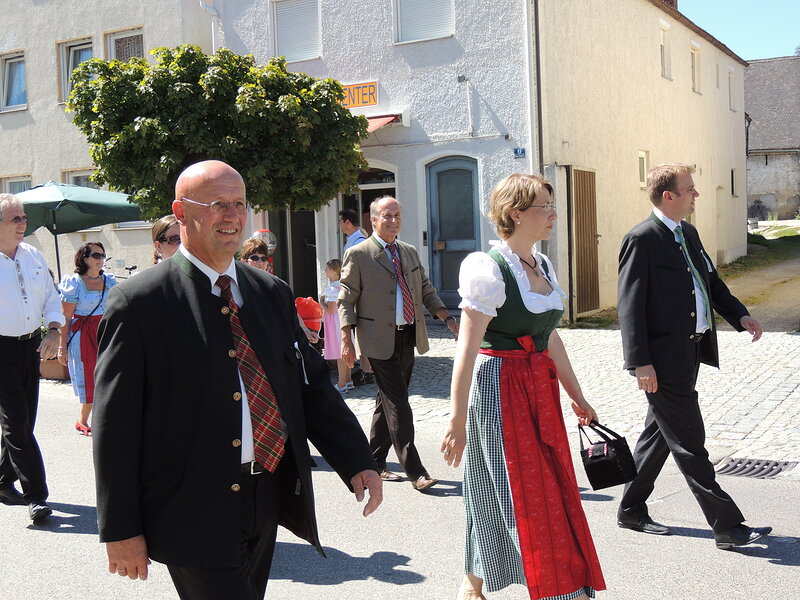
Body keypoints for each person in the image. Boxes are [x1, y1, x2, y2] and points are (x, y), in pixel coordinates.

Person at [92, 160, 382, 599]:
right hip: (191, 507)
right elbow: (115, 426)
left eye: (239, 204)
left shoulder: (270, 292)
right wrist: (120, 528)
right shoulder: (138, 303)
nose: (232, 216)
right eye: (217, 205)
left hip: (266, 493)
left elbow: (309, 387)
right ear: (181, 211)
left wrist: (357, 457)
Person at [441, 174, 605, 600]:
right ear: (515, 214)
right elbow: (466, 350)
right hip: (499, 388)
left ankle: (472, 582)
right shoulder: (487, 269)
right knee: (520, 489)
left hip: (537, 384)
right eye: (544, 207)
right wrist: (456, 420)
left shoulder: (542, 265)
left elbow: (550, 337)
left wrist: (577, 395)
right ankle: (558, 588)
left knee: (507, 483)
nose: (553, 214)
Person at [617, 162, 771, 549]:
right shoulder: (641, 238)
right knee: (689, 441)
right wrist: (640, 363)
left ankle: (631, 509)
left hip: (690, 349)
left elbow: (710, 282)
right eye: (689, 189)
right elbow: (630, 307)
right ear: (668, 196)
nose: (696, 195)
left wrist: (740, 314)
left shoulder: (688, 232)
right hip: (661, 358)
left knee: (659, 435)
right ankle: (727, 526)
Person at [339, 196, 459, 490]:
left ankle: (375, 462)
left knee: (388, 400)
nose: (394, 220)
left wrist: (446, 317)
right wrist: (347, 339)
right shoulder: (359, 253)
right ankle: (415, 471)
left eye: (397, 215)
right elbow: (346, 297)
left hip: (407, 334)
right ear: (374, 220)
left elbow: (425, 288)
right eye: (387, 215)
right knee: (399, 403)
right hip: (377, 339)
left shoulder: (409, 252)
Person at [0, 193, 65, 523]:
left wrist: (54, 329)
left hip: (30, 346)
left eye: (23, 218)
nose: (23, 224)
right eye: (15, 219)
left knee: (26, 420)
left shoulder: (33, 256)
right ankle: (36, 495)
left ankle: (1, 481)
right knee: (17, 424)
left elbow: (52, 298)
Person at [57, 242, 117, 436]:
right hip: (83, 335)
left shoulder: (110, 281)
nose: (101, 260)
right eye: (96, 256)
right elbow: (66, 317)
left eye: (103, 255)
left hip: (105, 333)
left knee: (110, 376)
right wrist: (62, 347)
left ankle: (105, 419)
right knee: (90, 378)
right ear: (85, 259)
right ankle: (82, 420)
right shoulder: (74, 282)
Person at [240, 237, 319, 344]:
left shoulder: (275, 285)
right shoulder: (236, 284)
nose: (260, 262)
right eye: (254, 258)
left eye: (263, 259)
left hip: (271, 341)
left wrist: (305, 331)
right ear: (244, 261)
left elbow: (291, 310)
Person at [338, 208, 373, 384]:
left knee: (362, 330)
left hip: (359, 291)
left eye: (340, 221)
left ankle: (367, 371)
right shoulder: (352, 240)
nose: (339, 225)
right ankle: (365, 368)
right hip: (356, 289)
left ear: (347, 222)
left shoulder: (358, 241)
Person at [321, 259, 352, 392]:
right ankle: (348, 380)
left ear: (333, 271)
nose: (325, 271)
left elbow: (331, 310)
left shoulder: (333, 288)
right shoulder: (342, 285)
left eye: (327, 269)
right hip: (342, 320)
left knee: (340, 353)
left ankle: (341, 383)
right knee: (345, 350)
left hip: (334, 323)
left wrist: (321, 302)